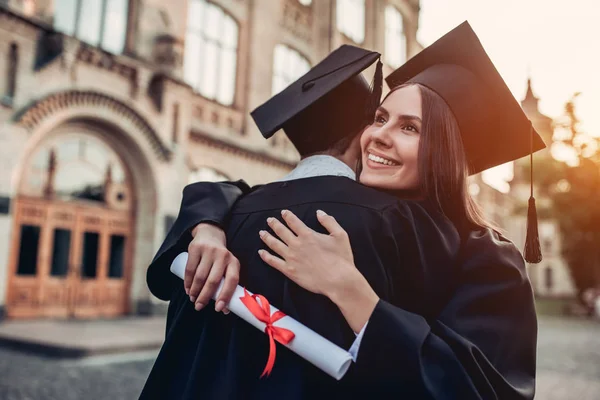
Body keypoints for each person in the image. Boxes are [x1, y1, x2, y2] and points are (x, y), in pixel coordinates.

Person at [142, 22, 544, 399]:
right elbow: (233, 191)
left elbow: (478, 388)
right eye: (380, 118)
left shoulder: (486, 257)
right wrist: (207, 222)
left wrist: (348, 288)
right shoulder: (391, 225)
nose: (377, 137)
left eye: (409, 127)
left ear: (450, 153)